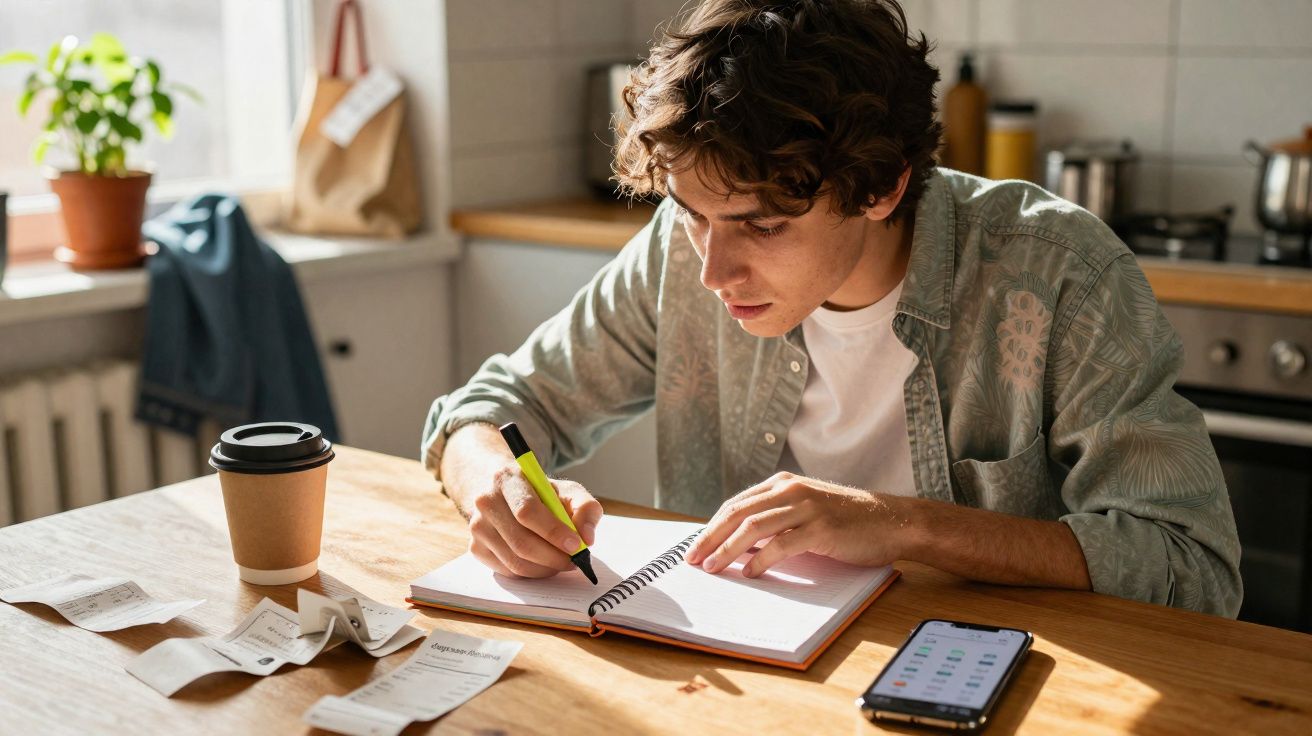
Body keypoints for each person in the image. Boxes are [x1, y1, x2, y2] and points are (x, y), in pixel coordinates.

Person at [423, 0, 1242, 616]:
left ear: (881, 186)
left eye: (763, 225)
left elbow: (1191, 565)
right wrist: (492, 481)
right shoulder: (685, 251)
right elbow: (492, 409)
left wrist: (904, 526)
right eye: (691, 213)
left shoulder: (1060, 274)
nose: (711, 269)